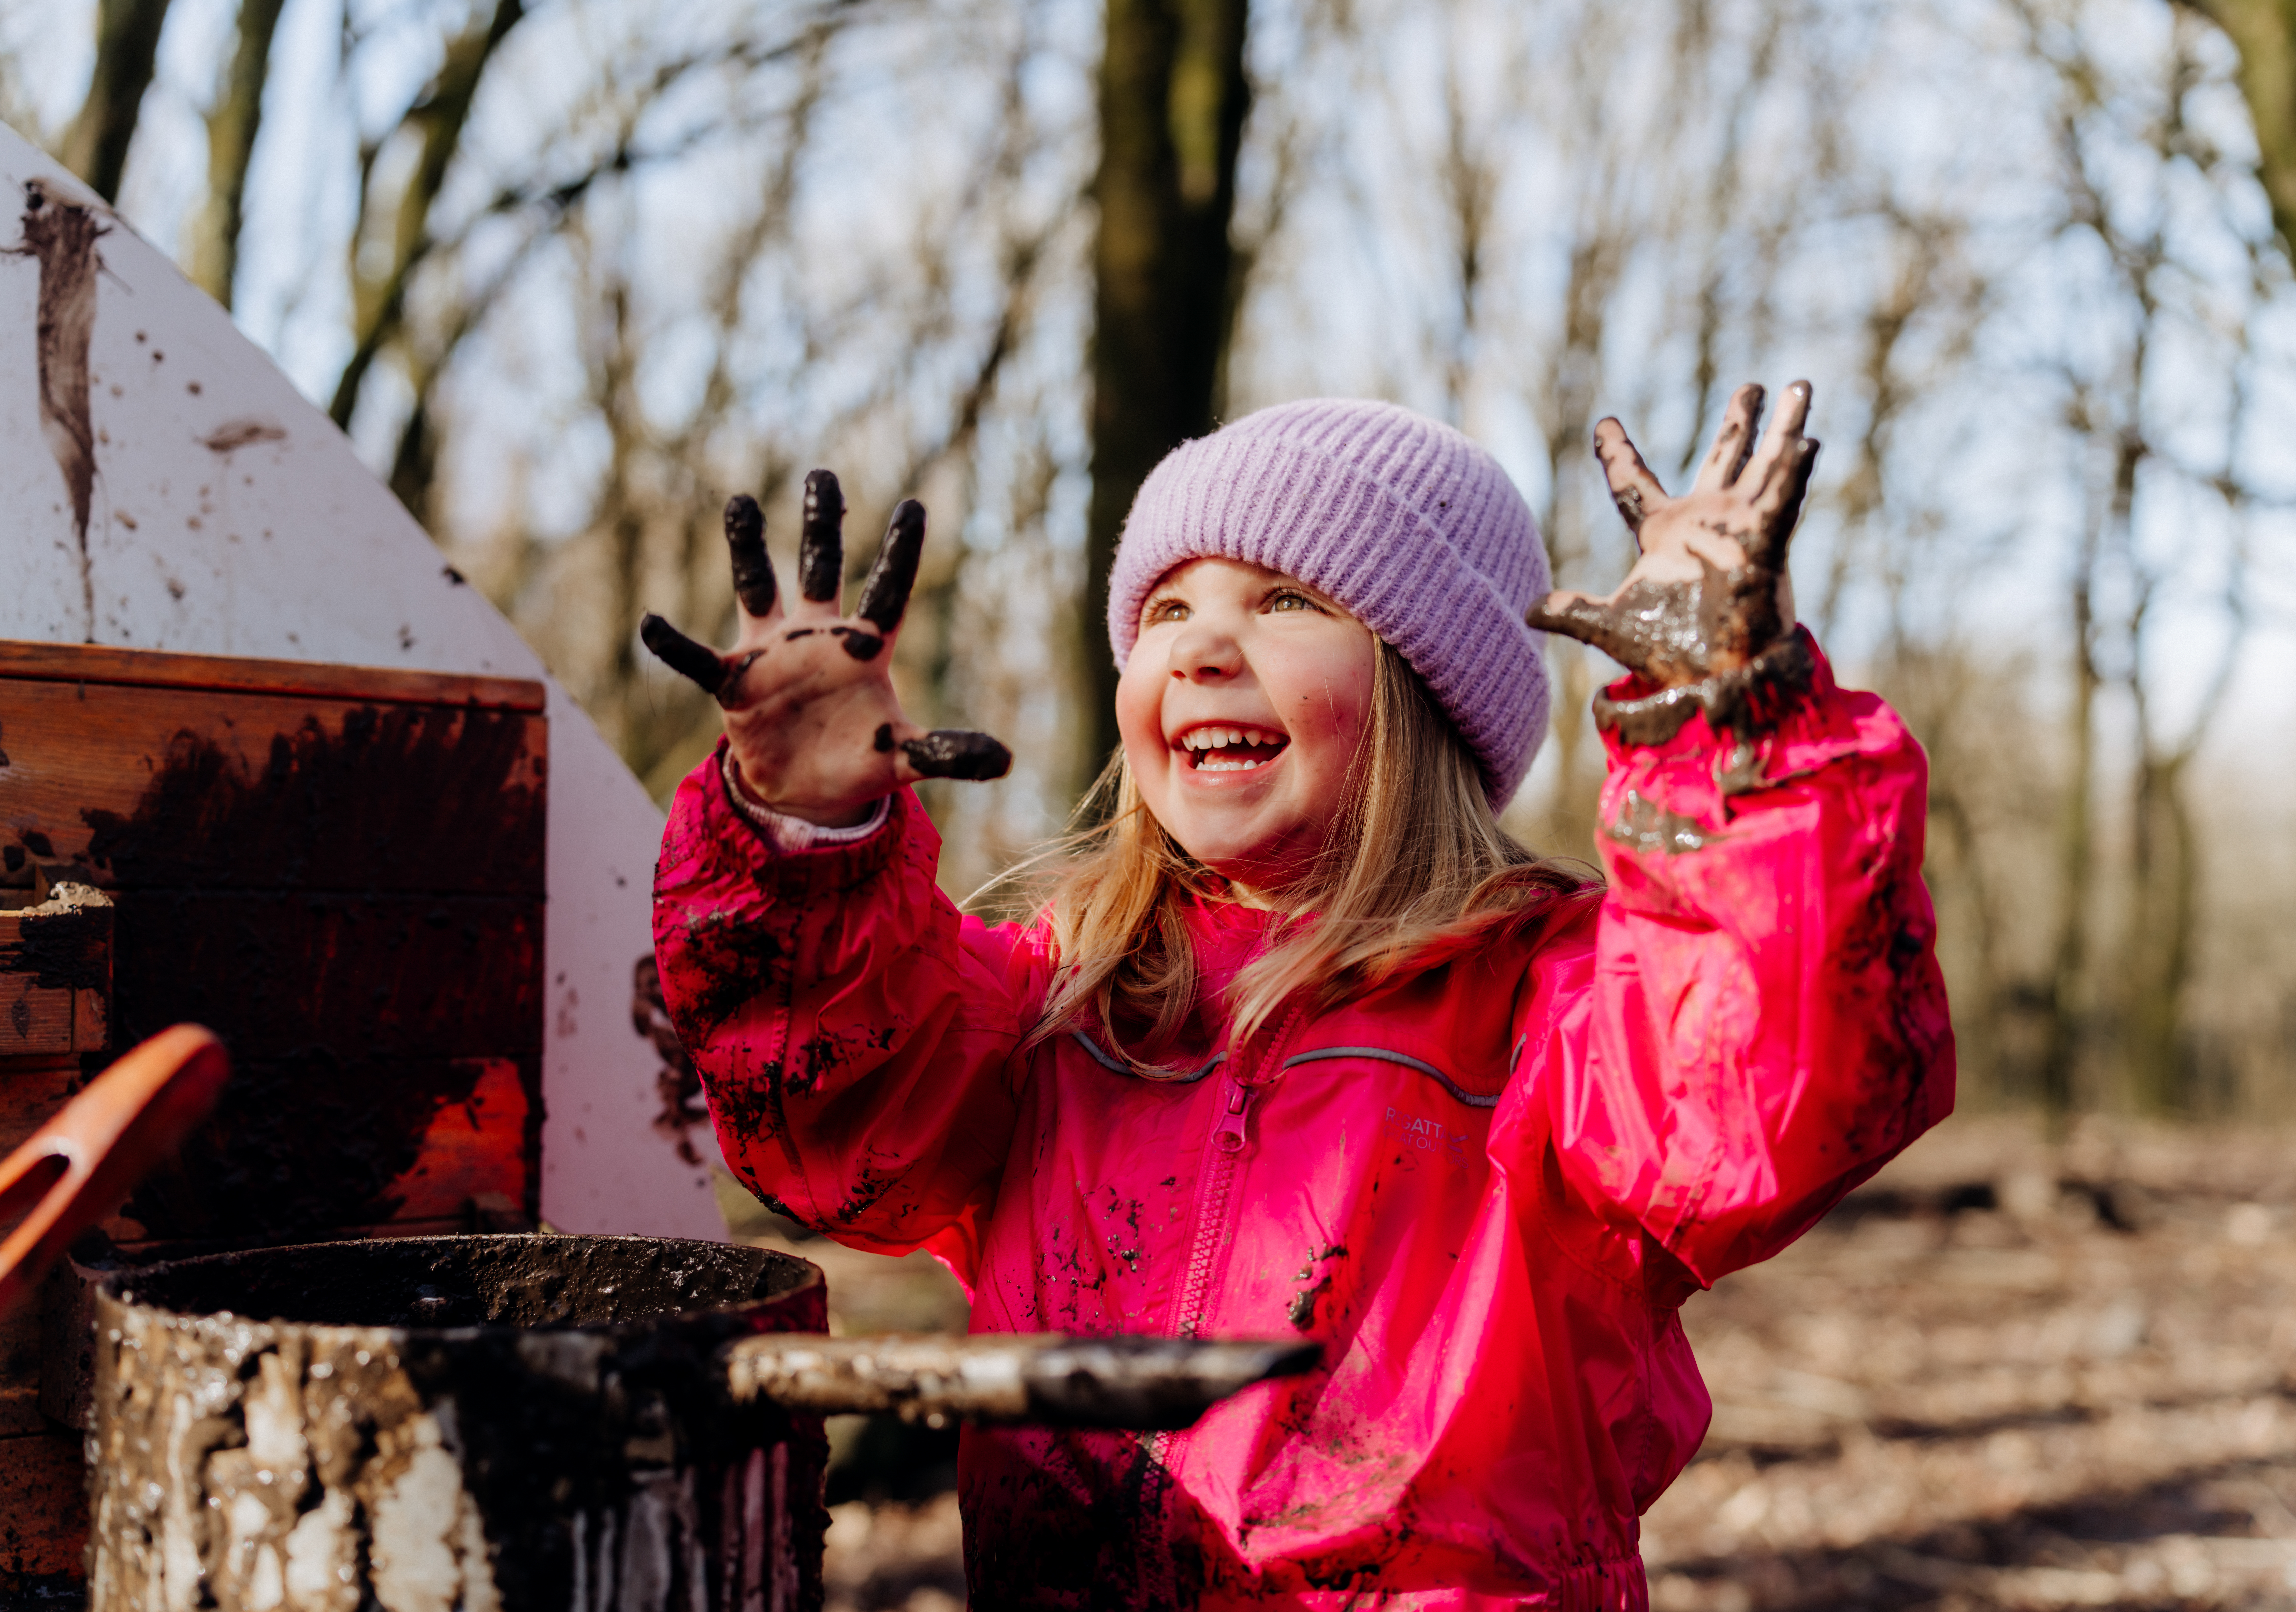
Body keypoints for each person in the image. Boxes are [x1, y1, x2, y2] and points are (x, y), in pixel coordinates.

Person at [643, 384, 1953, 1609]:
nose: (1206, 645)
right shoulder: (1056, 1002)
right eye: (1165, 612)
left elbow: (1765, 1091)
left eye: (1282, 600)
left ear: (1428, 688)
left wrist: (1723, 724)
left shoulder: (1547, 1006)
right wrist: (803, 841)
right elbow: (833, 1121)